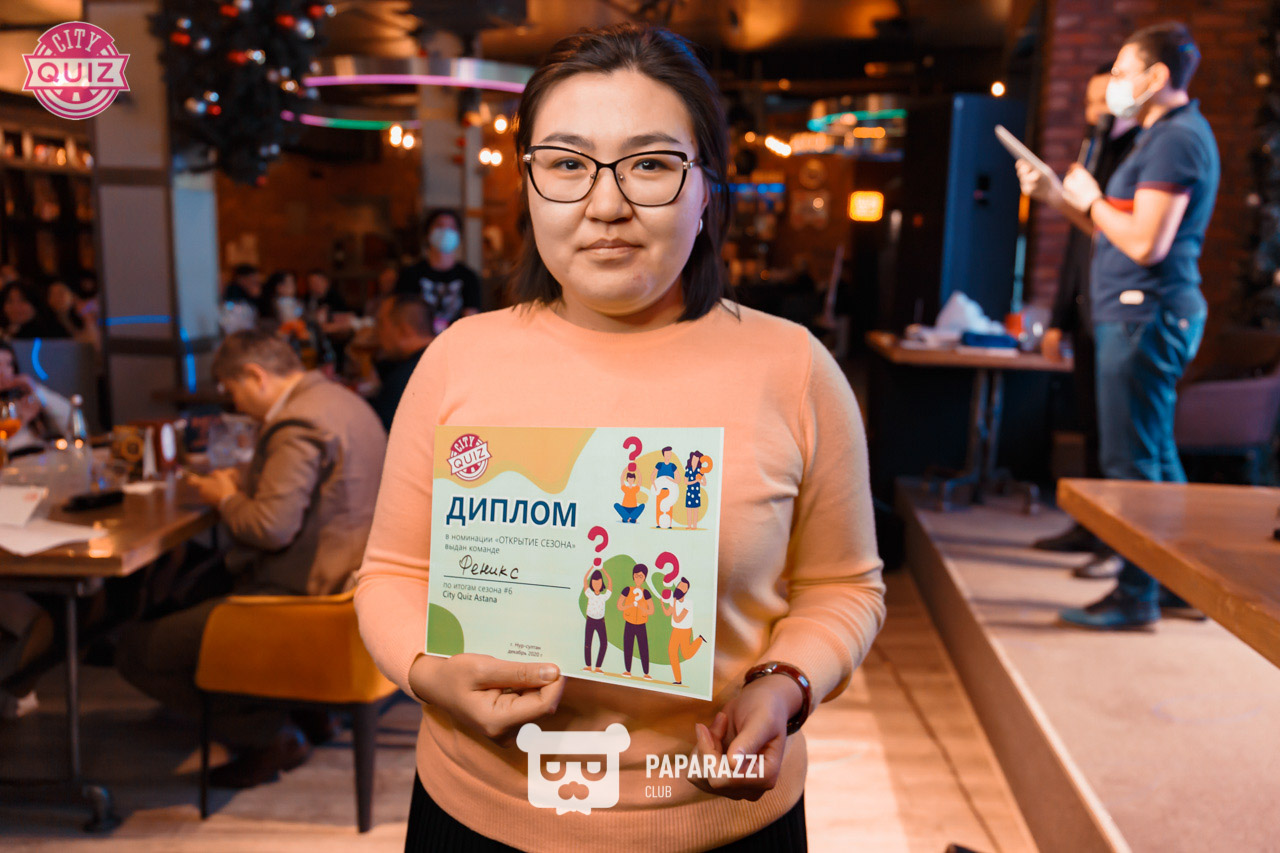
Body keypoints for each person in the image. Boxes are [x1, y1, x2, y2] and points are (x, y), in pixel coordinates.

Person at [354, 23, 885, 850]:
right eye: (567, 164)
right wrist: (429, 673)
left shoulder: (794, 368)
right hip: (478, 807)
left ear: (707, 187)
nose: (606, 204)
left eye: (651, 164)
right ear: (528, 183)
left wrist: (785, 683)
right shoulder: (458, 359)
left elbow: (843, 584)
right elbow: (391, 573)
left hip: (717, 816)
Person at [116, 330, 388, 788]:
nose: (236, 405)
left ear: (255, 375)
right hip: (354, 583)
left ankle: (267, 736)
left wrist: (224, 498)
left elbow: (269, 528)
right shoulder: (341, 401)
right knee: (199, 586)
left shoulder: (298, 422)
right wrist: (240, 480)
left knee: (136, 651)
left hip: (308, 597)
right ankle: (305, 709)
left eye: (233, 391)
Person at [1018, 22, 1218, 630]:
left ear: (1157, 76)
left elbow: (1146, 243)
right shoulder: (1158, 136)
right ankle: (1178, 584)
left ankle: (1137, 596)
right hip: (1134, 312)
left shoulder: (1176, 139)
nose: (1114, 84)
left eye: (1123, 71)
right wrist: (1061, 199)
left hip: (1144, 315)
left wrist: (1090, 198)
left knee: (1133, 466)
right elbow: (1115, 232)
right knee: (1153, 457)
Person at [1030, 63, 1139, 573]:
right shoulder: (1094, 149)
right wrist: (1059, 319)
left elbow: (1126, 237)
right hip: (1089, 308)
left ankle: (1120, 546)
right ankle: (1091, 526)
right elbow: (1078, 244)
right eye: (1090, 102)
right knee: (1092, 427)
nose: (1094, 112)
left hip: (1122, 310)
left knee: (1122, 441)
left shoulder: (1142, 152)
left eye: (1102, 101)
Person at [395, 209, 482, 333]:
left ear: (459, 236)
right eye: (440, 226)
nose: (446, 231)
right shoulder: (410, 275)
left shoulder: (469, 277)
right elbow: (404, 318)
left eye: (451, 227)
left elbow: (471, 320)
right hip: (419, 340)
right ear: (427, 234)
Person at [369, 293, 435, 432]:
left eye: (381, 324)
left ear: (404, 329)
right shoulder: (455, 360)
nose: (375, 332)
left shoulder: (405, 381)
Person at [0, 341, 72, 453]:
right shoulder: (18, 409)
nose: (3, 372)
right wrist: (22, 420)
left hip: (42, 458)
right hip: (16, 459)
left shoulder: (23, 397)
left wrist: (35, 389)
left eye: (9, 364)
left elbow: (70, 419)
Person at [660, 577, 705, 686]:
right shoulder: (673, 601)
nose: (679, 588)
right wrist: (662, 603)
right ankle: (678, 680)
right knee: (672, 653)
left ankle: (699, 639)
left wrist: (674, 604)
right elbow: (667, 613)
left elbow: (677, 619)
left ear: (686, 590)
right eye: (679, 585)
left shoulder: (688, 603)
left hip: (685, 631)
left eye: (682, 587)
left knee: (687, 655)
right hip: (675, 630)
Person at [46, 277, 101, 352]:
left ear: (72, 293)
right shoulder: (56, 328)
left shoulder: (91, 306)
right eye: (52, 295)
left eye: (61, 293)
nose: (58, 298)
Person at [581, 567, 613, 672]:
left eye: (599, 583)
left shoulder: (604, 596)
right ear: (591, 583)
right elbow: (585, 579)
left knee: (604, 643)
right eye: (594, 583)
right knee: (588, 643)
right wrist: (592, 567)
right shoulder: (589, 594)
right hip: (590, 620)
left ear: (602, 583)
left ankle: (598, 666)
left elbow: (610, 581)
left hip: (600, 621)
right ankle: (588, 665)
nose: (596, 585)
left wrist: (602, 569)